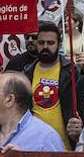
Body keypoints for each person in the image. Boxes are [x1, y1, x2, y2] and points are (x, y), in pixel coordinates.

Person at [22, 21, 78, 149]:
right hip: (33, 147)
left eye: (50, 43)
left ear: (59, 44)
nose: (45, 47)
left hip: (65, 148)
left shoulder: (71, 72)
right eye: (41, 43)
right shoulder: (27, 72)